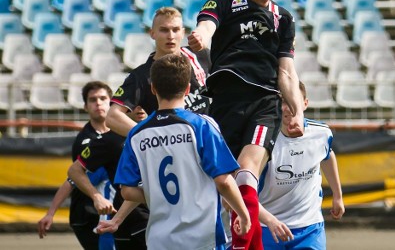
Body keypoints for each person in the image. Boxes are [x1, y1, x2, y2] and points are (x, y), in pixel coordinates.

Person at [188, 0, 305, 250]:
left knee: (246, 171)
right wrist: (201, 35)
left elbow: (287, 71)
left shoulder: (283, 19)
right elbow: (208, 24)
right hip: (225, 100)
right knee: (225, 181)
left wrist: (297, 111)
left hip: (265, 102)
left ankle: (241, 246)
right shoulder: (224, 2)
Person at [97, 53, 251, 250]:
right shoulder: (201, 125)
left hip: (159, 240)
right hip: (203, 238)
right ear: (188, 89)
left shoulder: (137, 134)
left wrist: (156, 194)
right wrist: (243, 213)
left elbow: (127, 190)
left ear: (153, 89)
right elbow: (223, 181)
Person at [258, 81, 345, 250]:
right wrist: (266, 219)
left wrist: (338, 196)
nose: (288, 107)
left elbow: (327, 155)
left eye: (294, 99)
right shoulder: (263, 139)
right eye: (283, 101)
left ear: (305, 103)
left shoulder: (321, 133)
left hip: (310, 227)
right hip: (268, 226)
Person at [107, 7, 212, 136]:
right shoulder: (141, 75)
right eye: (164, 30)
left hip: (211, 138)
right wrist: (148, 137)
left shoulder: (202, 56)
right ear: (152, 34)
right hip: (176, 147)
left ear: (183, 32)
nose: (171, 36)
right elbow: (112, 117)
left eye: (175, 30)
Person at [37, 81, 115, 250]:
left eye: (103, 98)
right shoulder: (85, 141)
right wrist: (51, 213)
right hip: (87, 213)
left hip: (109, 211)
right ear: (86, 106)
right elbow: (72, 179)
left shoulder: (116, 135)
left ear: (111, 102)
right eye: (93, 100)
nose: (98, 103)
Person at [68, 105, 150, 249]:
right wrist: (97, 197)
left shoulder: (160, 133)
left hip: (160, 213)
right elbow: (74, 171)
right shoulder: (108, 140)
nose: (140, 108)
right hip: (130, 219)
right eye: (133, 104)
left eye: (144, 102)